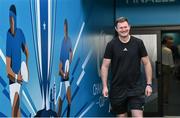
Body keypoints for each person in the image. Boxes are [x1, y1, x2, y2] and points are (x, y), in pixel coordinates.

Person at [101, 17, 152, 117]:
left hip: (135, 88)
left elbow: (147, 63)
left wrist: (149, 84)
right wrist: (105, 86)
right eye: (121, 28)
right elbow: (105, 66)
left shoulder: (138, 43)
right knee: (122, 116)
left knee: (138, 116)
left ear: (129, 27)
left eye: (125, 27)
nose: (123, 29)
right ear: (116, 29)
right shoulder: (111, 45)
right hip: (117, 89)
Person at [6, 4, 29, 117]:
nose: (11, 21)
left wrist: (25, 68)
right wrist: (16, 77)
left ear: (15, 18)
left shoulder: (20, 33)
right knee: (15, 111)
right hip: (12, 80)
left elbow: (27, 53)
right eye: (9, 19)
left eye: (12, 18)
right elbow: (7, 69)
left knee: (16, 109)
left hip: (19, 80)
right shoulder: (8, 35)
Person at [58, 19, 73, 117]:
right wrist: (62, 71)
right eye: (64, 26)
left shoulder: (69, 40)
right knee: (60, 99)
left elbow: (71, 53)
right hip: (62, 76)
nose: (65, 28)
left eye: (66, 26)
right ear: (63, 27)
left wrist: (68, 67)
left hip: (66, 77)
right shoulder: (63, 41)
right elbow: (60, 60)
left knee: (69, 100)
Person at [161, 35, 174, 104]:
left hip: (159, 67)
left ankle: (159, 98)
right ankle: (165, 100)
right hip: (166, 68)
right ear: (166, 43)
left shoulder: (159, 49)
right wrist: (172, 69)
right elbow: (171, 62)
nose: (171, 44)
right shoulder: (168, 50)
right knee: (166, 84)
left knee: (160, 84)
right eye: (170, 43)